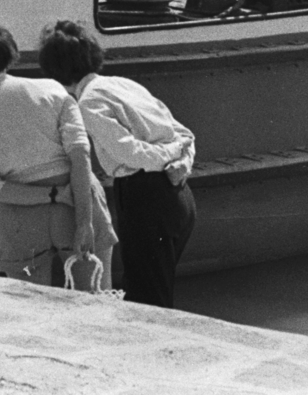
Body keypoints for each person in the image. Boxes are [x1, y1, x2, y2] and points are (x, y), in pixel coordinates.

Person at [38, 19, 195, 308]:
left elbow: (130, 154)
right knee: (159, 287)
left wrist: (168, 156)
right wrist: (179, 159)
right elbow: (185, 134)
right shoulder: (124, 84)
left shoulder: (87, 103)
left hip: (144, 196)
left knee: (147, 299)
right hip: (181, 196)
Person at [0, 21, 117, 288]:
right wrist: (84, 222)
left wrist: (50, 196)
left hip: (19, 223)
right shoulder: (52, 91)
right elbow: (80, 157)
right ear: (11, 54)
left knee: (31, 307)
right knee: (95, 299)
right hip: (76, 206)